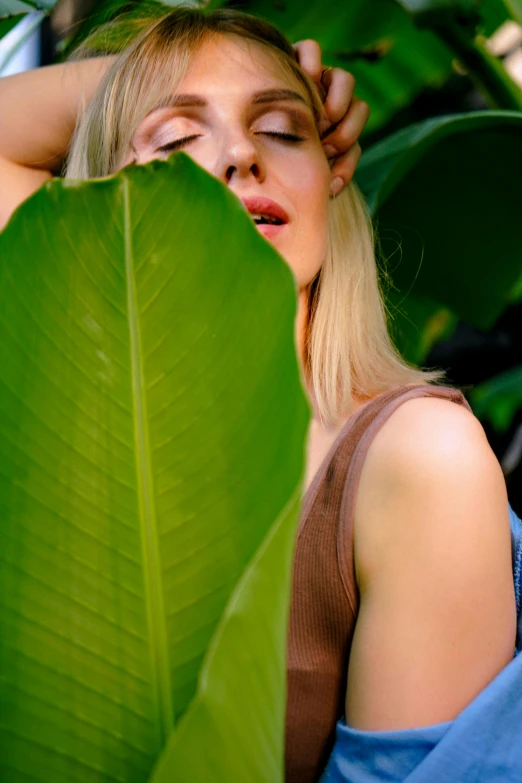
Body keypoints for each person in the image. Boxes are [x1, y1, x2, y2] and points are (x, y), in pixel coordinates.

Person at [0, 7, 520, 783]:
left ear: (333, 175)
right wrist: (137, 80)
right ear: (104, 201)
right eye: (177, 142)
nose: (241, 153)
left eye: (283, 129)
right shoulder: (78, 453)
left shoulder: (415, 461)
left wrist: (180, 104)